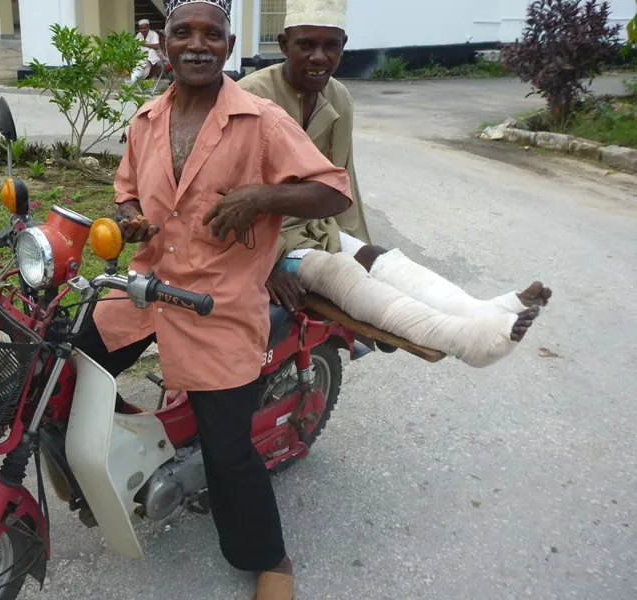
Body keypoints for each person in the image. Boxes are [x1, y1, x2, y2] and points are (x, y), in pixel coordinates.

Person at [74, 1, 355, 597]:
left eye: (211, 35)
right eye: (183, 33)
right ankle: (133, 452)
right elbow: (126, 193)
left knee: (228, 451)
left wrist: (259, 197)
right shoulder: (147, 119)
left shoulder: (262, 121)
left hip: (219, 303)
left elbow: (332, 191)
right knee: (72, 366)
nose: (197, 45)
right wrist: (130, 221)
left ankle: (271, 561)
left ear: (229, 48)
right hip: (147, 288)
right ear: (164, 45)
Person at [237, 0, 551, 364]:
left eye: (331, 46)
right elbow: (224, 192)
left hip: (312, 224)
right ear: (283, 43)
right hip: (261, 234)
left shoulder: (339, 98)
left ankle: (482, 311)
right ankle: (465, 339)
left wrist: (358, 248)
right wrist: (264, 266)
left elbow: (342, 183)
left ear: (344, 45)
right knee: (337, 271)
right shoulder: (250, 97)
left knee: (379, 259)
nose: (319, 57)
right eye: (306, 44)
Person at [128, 19, 163, 85]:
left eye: (145, 28)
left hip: (157, 56)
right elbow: (136, 45)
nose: (143, 30)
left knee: (151, 51)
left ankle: (155, 75)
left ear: (148, 27)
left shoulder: (154, 34)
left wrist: (144, 44)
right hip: (143, 55)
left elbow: (157, 46)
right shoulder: (139, 35)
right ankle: (139, 74)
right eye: (141, 28)